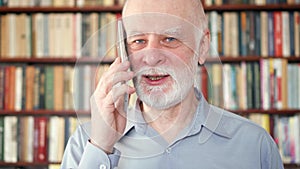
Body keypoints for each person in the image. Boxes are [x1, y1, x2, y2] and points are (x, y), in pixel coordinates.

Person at [61, 0, 284, 168]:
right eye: (138, 41)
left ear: (203, 47)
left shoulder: (254, 144)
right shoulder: (86, 143)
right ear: (124, 50)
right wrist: (101, 147)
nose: (151, 57)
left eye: (170, 39)